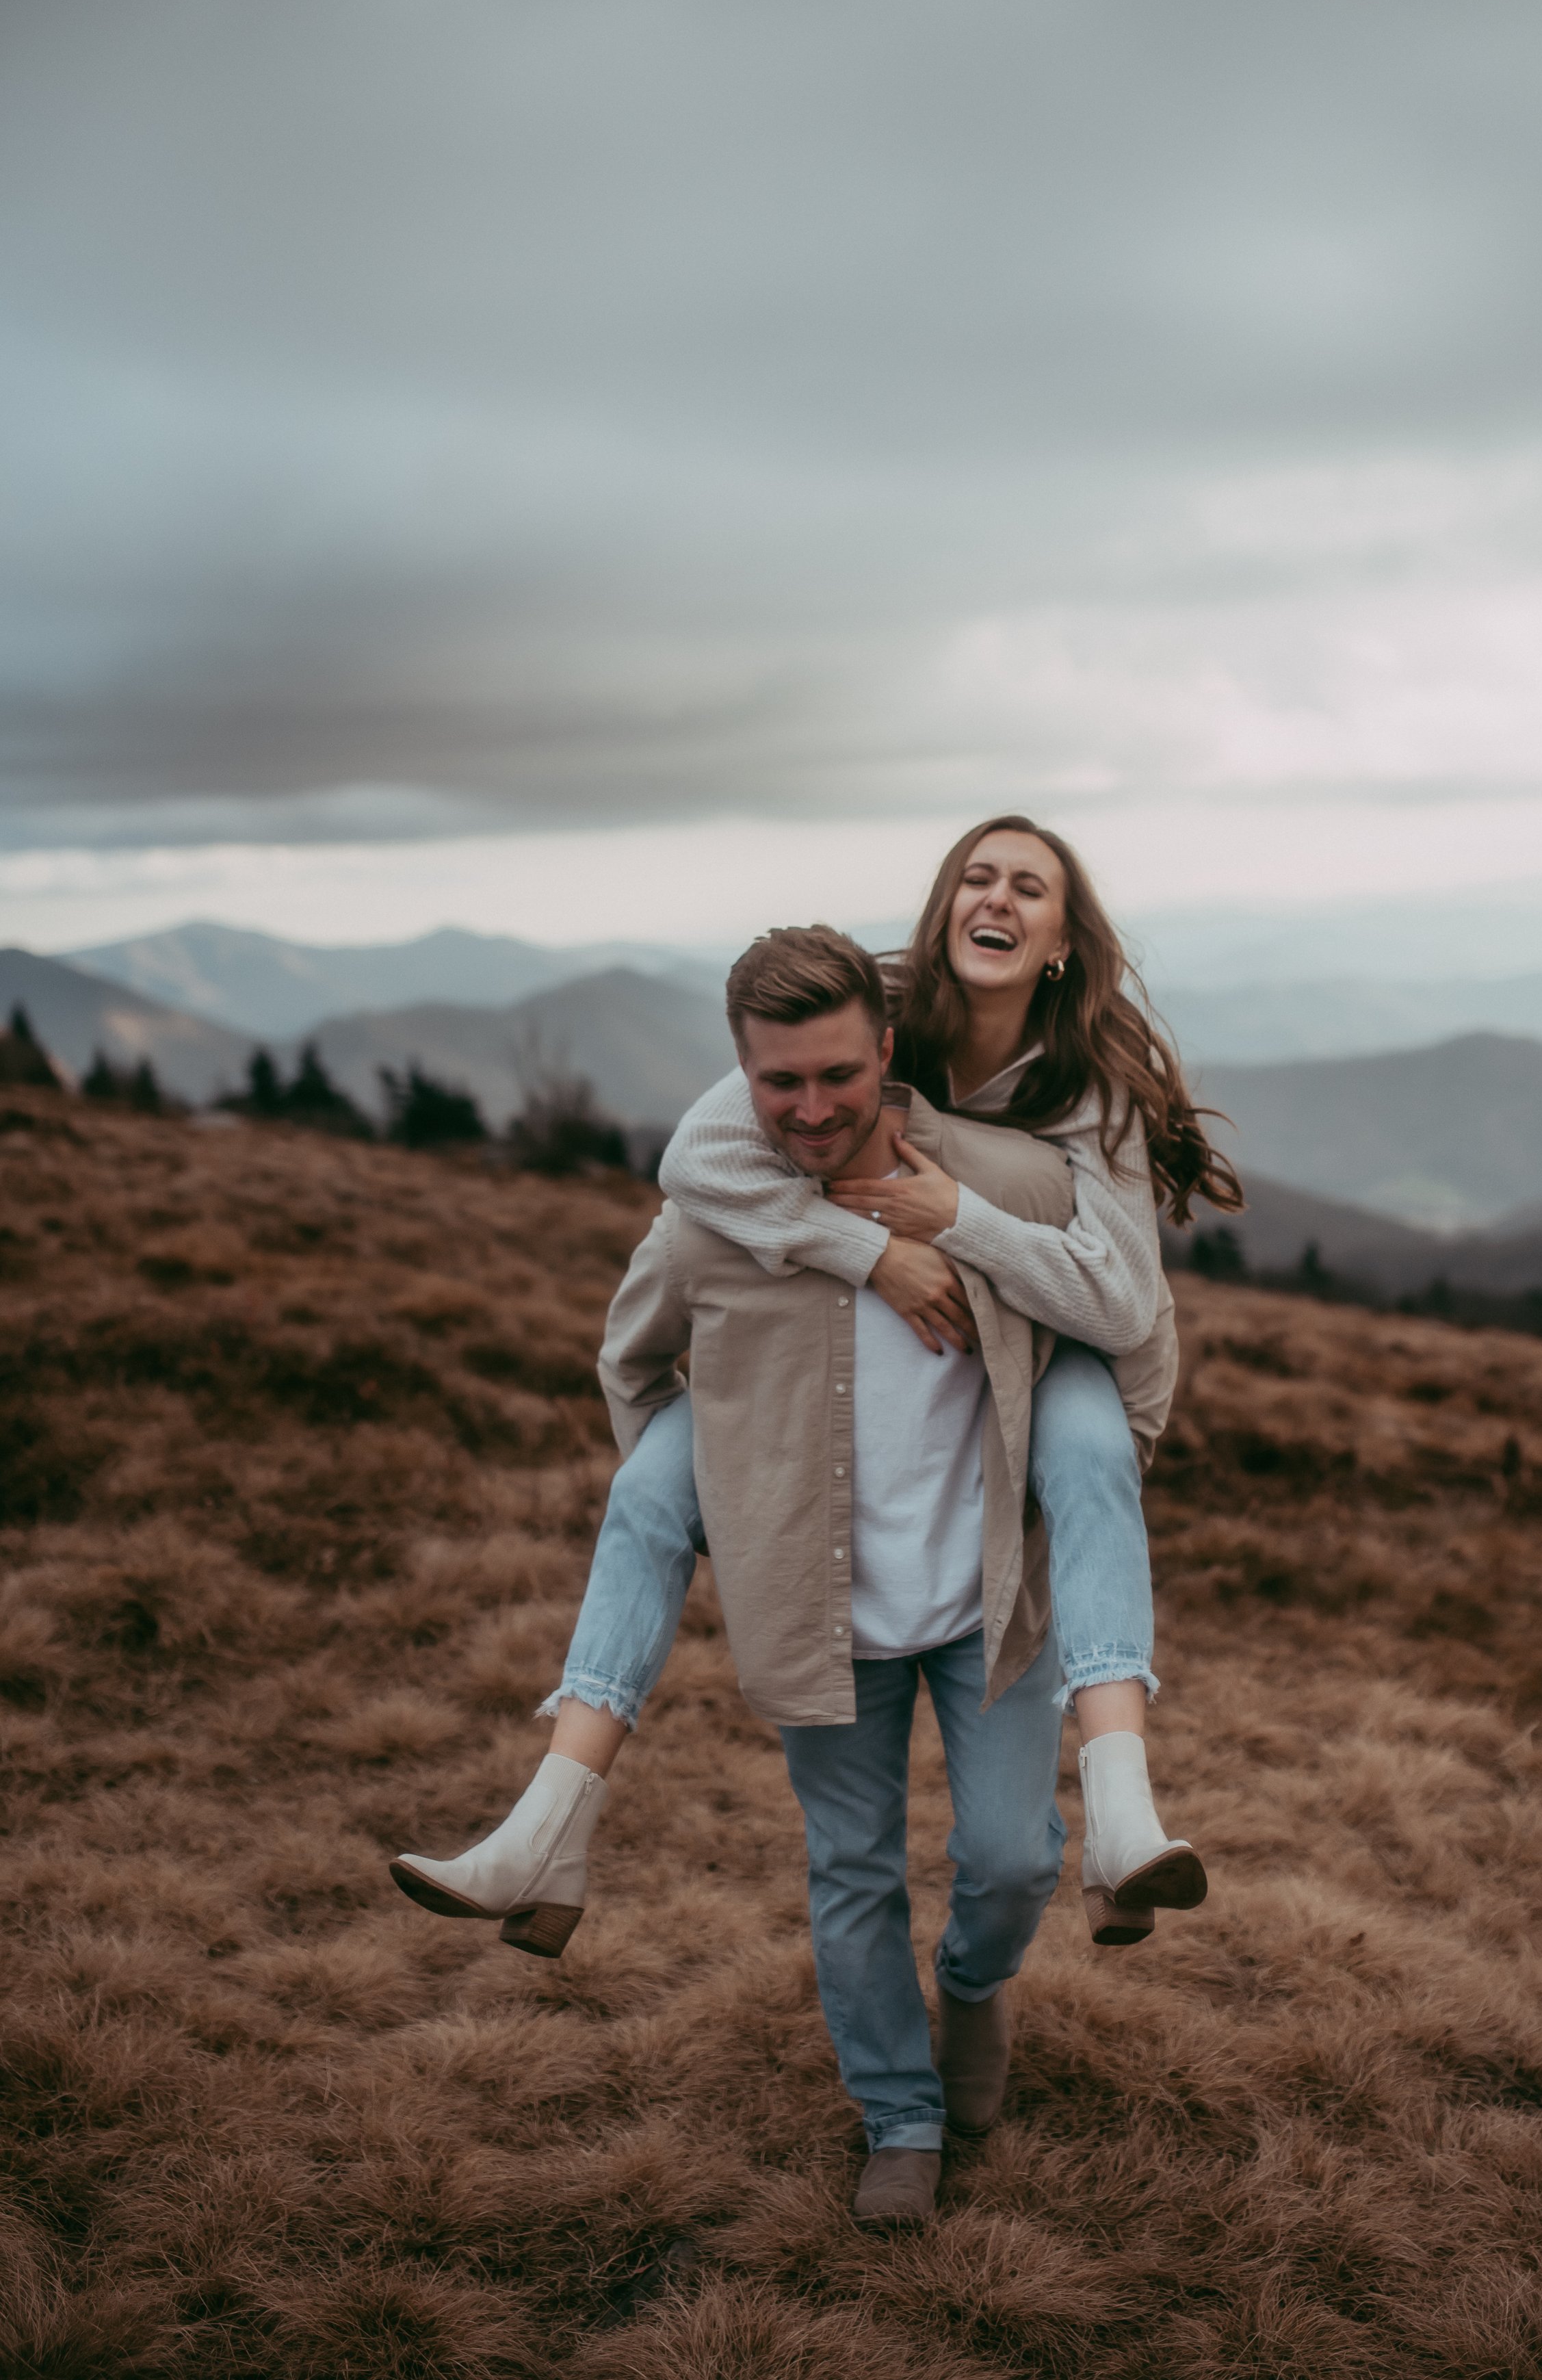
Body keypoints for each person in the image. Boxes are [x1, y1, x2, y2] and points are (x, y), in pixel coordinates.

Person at [397, 929, 1196, 2220]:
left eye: (837, 1074)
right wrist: (721, 1502)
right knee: (852, 1870)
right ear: (740, 1077)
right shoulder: (711, 1219)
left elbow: (1122, 1323)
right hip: (824, 1621)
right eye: (780, 1084)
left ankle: (978, 1993)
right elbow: (632, 1365)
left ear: (889, 1050)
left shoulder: (999, 1183)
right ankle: (900, 2113)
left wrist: (1107, 1460)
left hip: (988, 1606)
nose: (811, 1108)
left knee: (1007, 1860)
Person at [391, 816, 1240, 1948]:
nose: (996, 896)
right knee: (649, 1486)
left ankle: (1124, 1814)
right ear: (943, 913)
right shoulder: (873, 1009)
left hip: (1058, 1347)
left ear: (1061, 941)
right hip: (868, 1354)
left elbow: (1126, 1302)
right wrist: (871, 1254)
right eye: (974, 877)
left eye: (1028, 885)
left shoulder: (1097, 1084)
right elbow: (696, 1158)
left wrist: (958, 1219)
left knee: (1084, 1456)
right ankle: (548, 1826)